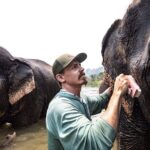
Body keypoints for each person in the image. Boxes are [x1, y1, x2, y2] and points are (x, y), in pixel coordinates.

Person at [46, 52, 130, 150]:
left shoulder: (81, 99)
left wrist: (113, 86)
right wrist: (117, 92)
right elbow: (94, 143)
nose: (82, 69)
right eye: (74, 67)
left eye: (80, 65)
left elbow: (100, 101)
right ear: (61, 77)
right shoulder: (60, 107)